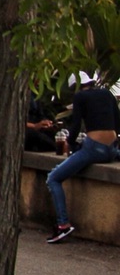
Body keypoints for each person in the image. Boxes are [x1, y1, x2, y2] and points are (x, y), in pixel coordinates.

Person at [45, 76, 118, 243]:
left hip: (94, 149)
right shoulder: (107, 93)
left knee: (53, 178)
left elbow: (76, 125)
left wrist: (70, 146)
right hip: (111, 149)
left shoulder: (80, 97)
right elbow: (117, 121)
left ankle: (63, 224)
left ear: (77, 86)